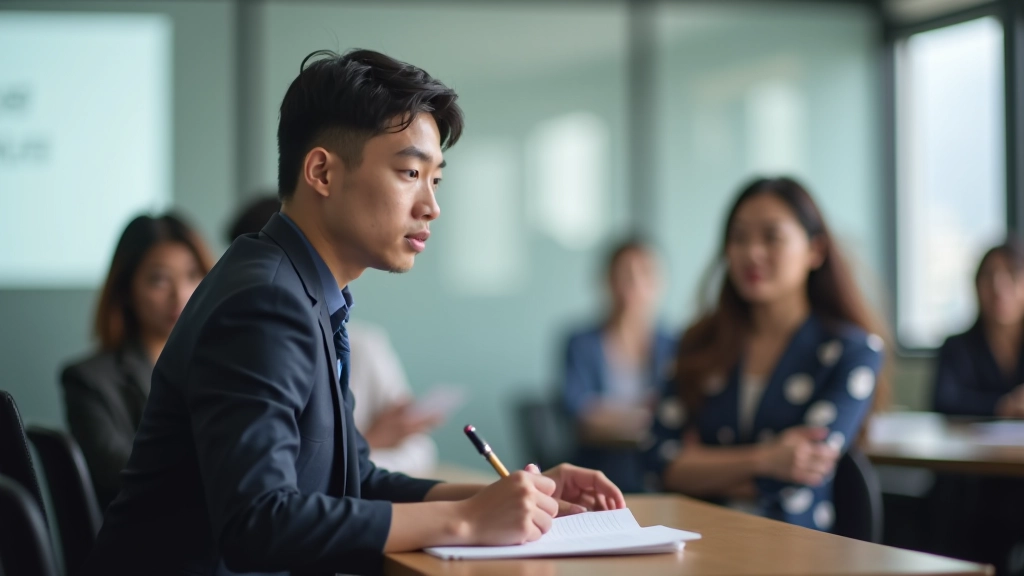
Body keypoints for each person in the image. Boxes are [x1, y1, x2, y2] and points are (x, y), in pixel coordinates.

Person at [83, 49, 623, 575]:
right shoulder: (265, 302)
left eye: (436, 180)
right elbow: (257, 522)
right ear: (321, 171)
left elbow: (352, 477)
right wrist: (462, 521)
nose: (431, 206)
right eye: (410, 173)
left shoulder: (300, 289)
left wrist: (507, 497)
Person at [643, 177, 888, 531]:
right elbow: (656, 464)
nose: (752, 252)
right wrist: (768, 458)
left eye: (772, 237)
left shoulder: (852, 351)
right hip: (698, 543)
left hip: (794, 547)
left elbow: (799, 474)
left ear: (814, 250)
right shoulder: (698, 343)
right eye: (739, 238)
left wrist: (698, 467)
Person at [227, 196, 442, 476]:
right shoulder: (253, 342)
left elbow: (417, 451)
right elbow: (282, 484)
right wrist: (367, 444)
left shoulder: (357, 342)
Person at [60, 214, 213, 508]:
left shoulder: (224, 367)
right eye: (159, 279)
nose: (180, 295)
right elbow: (120, 473)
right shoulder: (88, 380)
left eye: (193, 275)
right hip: (149, 541)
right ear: (126, 290)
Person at [562, 239, 676, 492]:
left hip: (662, 469)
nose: (634, 283)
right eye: (625, 273)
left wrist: (608, 414)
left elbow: (681, 414)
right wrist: (648, 418)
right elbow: (580, 413)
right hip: (598, 466)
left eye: (645, 273)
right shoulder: (581, 343)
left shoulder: (675, 344)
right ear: (607, 280)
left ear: (659, 282)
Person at [933, 240, 1024, 417]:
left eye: (1012, 275)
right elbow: (944, 401)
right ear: (976, 286)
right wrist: (1004, 406)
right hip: (970, 444)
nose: (999, 288)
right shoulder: (957, 347)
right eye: (989, 276)